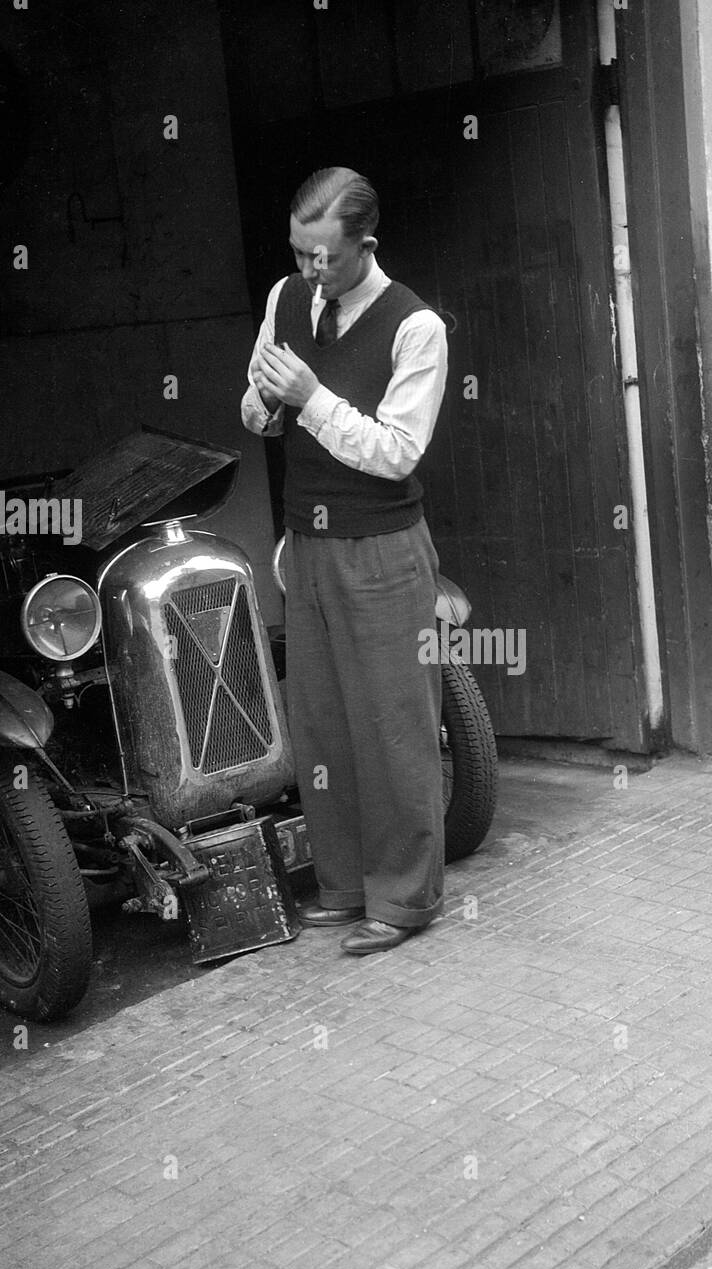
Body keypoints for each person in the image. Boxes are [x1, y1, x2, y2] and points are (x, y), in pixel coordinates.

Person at [241, 167, 448, 956]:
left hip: (384, 549)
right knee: (322, 724)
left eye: (324, 257)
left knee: (394, 726)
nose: (309, 273)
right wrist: (265, 404)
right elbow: (259, 406)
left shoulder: (415, 326)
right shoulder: (285, 297)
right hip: (310, 544)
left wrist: (310, 396)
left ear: (366, 245)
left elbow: (396, 453)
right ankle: (344, 885)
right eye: (299, 254)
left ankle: (404, 900)